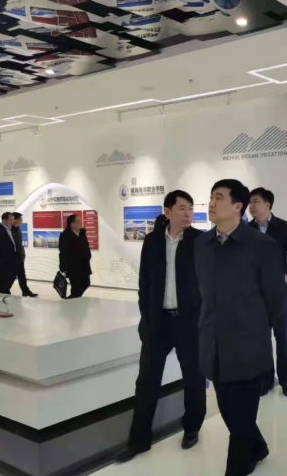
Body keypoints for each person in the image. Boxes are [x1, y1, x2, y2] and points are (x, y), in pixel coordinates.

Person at [195, 179, 286, 476]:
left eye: (219, 198)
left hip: (247, 347)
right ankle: (258, 447)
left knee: (241, 422)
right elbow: (202, 294)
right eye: (211, 197)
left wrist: (254, 327)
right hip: (214, 345)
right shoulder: (202, 245)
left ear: (237, 206)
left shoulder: (262, 245)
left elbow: (276, 298)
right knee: (230, 413)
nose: (211, 203)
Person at [116, 191, 207, 463]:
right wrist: (146, 318)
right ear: (167, 211)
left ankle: (192, 427)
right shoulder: (152, 241)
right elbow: (144, 282)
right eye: (182, 208)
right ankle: (139, 440)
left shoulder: (200, 241)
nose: (188, 213)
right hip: (158, 322)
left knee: (193, 378)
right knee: (146, 380)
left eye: (190, 208)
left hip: (189, 322)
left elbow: (208, 283)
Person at [248, 187, 287, 397]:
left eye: (255, 201)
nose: (251, 206)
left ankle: (285, 378)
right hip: (256, 293)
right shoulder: (247, 229)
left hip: (279, 292)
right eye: (250, 202)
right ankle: (267, 379)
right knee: (261, 338)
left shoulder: (282, 227)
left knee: (283, 336)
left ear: (267, 205)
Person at [58, 214, 92, 299]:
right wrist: (63, 267)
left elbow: (86, 246)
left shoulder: (82, 233)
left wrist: (88, 255)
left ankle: (74, 298)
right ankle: (73, 301)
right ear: (72, 224)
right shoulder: (65, 235)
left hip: (84, 264)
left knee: (86, 283)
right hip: (72, 266)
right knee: (76, 287)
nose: (81, 223)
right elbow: (63, 252)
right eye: (79, 222)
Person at [0, 212, 19, 294]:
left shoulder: (10, 229)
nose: (13, 222)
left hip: (12, 258)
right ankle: (2, 292)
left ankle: (4, 290)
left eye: (13, 220)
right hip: (3, 259)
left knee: (12, 275)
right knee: (4, 276)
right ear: (4, 220)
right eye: (10, 220)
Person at [12, 212, 37, 297]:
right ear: (15, 220)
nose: (22, 221)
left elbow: (19, 244)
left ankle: (25, 291)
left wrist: (22, 254)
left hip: (19, 256)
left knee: (22, 275)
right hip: (13, 258)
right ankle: (3, 290)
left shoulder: (18, 229)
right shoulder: (10, 230)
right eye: (20, 219)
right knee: (11, 276)